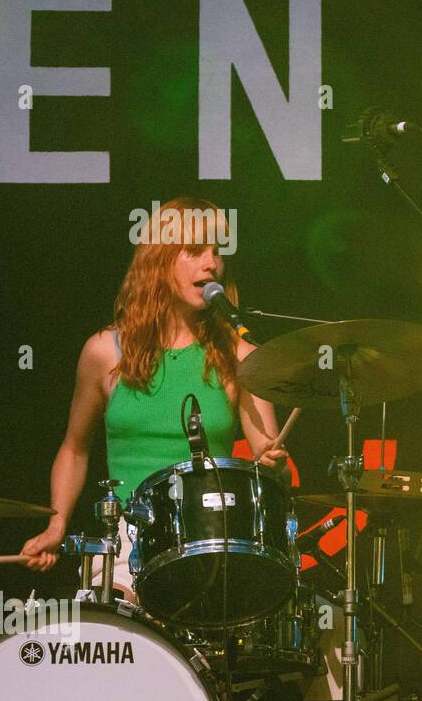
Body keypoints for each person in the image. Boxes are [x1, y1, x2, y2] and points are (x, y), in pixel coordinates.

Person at [19, 196, 289, 601]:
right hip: (127, 546)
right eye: (195, 251)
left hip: (211, 542)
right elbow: (75, 449)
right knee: (112, 626)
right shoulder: (104, 351)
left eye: (217, 252)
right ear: (159, 260)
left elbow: (271, 471)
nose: (211, 263)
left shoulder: (240, 356)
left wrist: (273, 462)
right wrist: (56, 527)